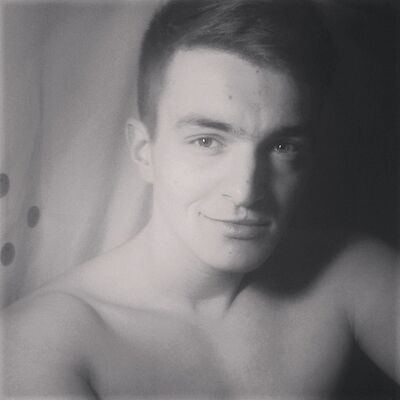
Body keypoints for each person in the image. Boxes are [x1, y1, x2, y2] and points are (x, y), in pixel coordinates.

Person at [2, 0, 398, 399]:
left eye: (282, 146)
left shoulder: (351, 272)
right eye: (207, 141)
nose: (246, 191)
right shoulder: (39, 346)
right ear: (144, 152)